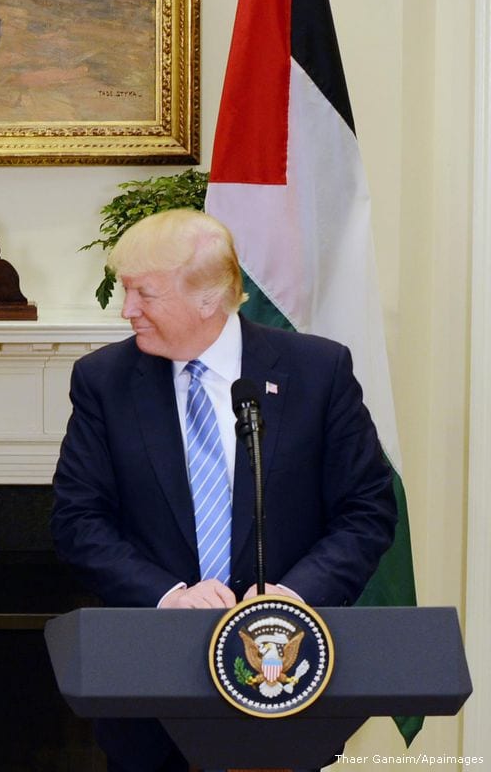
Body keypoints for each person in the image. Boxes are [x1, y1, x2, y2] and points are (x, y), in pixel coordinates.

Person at [50, 209, 397, 772]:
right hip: (149, 695)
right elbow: (77, 521)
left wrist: (296, 595)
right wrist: (169, 596)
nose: (127, 310)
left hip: (283, 677)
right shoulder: (103, 382)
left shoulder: (316, 371)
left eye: (144, 294)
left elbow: (366, 510)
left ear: (209, 298)